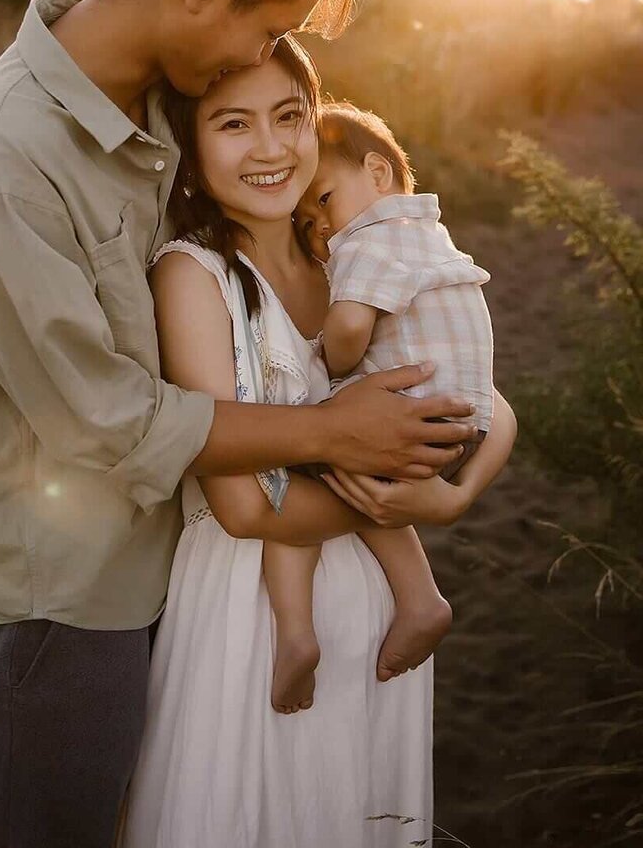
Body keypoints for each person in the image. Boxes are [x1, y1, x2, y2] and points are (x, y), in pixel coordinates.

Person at [0, 0, 476, 848]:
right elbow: (108, 421)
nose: (260, 57)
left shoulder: (159, 95)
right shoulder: (5, 162)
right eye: (269, 26)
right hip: (62, 599)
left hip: (180, 566)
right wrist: (335, 430)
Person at [121, 42, 516, 847]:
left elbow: (489, 400)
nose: (270, 148)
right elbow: (240, 505)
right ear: (190, 149)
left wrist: (454, 495)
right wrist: (388, 485)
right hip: (250, 614)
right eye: (234, 124)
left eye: (290, 117)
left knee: (348, 810)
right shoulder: (194, 277)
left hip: (371, 616)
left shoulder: (346, 252)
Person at [256, 100, 495, 712]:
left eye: (325, 201)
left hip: (409, 415)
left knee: (288, 476)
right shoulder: (432, 238)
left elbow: (350, 331)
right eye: (307, 223)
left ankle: (296, 634)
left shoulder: (369, 241)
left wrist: (327, 361)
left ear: (379, 175)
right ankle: (420, 599)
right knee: (368, 493)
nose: (323, 229)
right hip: (465, 422)